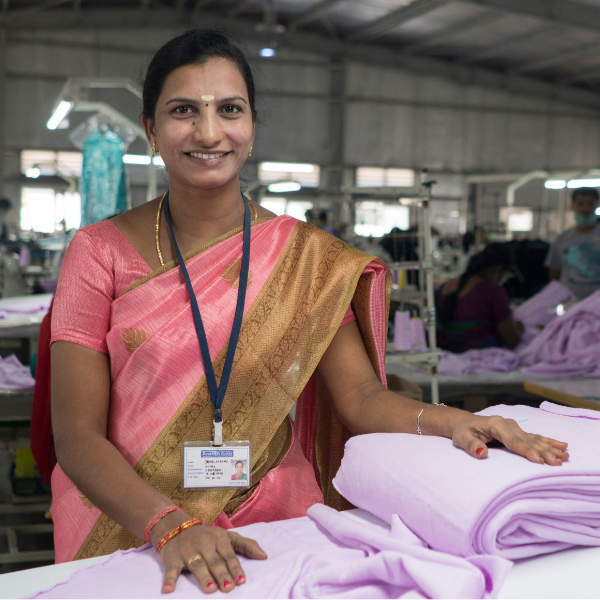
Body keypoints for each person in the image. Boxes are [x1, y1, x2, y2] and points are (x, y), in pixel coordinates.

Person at [50, 30, 568, 596]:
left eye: (229, 109)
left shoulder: (305, 258)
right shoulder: (98, 252)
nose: (208, 132)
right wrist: (168, 524)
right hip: (133, 528)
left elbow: (362, 399)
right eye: (183, 111)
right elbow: (76, 434)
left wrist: (456, 422)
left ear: (250, 126)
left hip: (276, 525)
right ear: (150, 129)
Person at [436, 243, 523, 353]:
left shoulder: (445, 286)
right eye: (504, 274)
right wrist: (519, 330)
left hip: (446, 354)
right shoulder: (493, 291)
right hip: (479, 356)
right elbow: (512, 341)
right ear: (497, 269)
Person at [545, 187, 600, 299]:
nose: (585, 208)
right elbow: (554, 273)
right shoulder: (562, 239)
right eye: (580, 203)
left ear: (596, 205)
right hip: (569, 303)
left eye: (590, 203)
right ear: (573, 205)